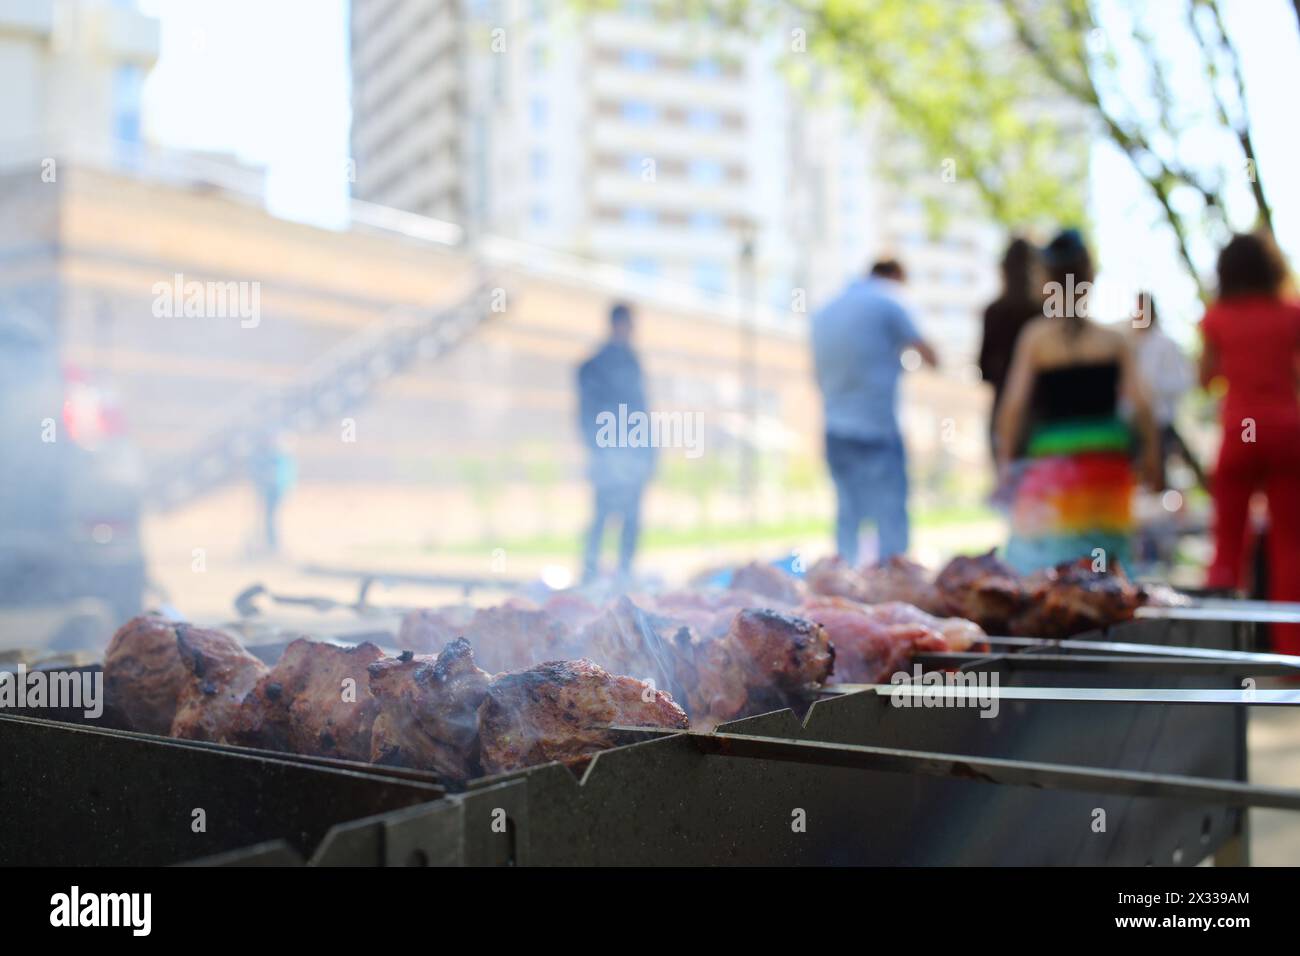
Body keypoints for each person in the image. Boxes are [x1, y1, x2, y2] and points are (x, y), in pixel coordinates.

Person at [996, 229, 1159, 574]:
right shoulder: (1114, 341)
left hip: (1054, 463)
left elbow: (1013, 407)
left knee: (1041, 565)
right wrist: (1152, 458)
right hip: (1108, 463)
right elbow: (1142, 404)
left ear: (1045, 280)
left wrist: (1006, 462)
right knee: (1107, 565)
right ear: (1091, 278)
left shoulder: (1037, 338)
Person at [1200, 232, 1300, 654]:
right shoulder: (1291, 314)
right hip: (1287, 434)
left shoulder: (1217, 318)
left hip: (1241, 434)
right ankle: (1291, 658)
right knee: (1291, 549)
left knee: (1227, 548)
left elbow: (1205, 379)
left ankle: (1218, 650)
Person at [811, 259, 938, 565]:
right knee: (890, 518)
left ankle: (844, 586)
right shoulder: (890, 299)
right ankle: (891, 587)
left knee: (848, 516)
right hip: (877, 429)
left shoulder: (825, 309)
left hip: (836, 429)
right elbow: (931, 356)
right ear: (896, 275)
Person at [577, 302, 654, 583]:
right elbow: (588, 415)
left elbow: (641, 412)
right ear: (618, 324)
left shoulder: (632, 361)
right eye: (630, 325)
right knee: (602, 517)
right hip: (609, 456)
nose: (633, 331)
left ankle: (623, 575)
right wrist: (601, 451)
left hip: (633, 456)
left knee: (631, 520)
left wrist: (648, 454)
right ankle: (589, 574)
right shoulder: (595, 366)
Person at [1131, 291, 1204, 490]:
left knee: (1162, 474)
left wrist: (1153, 386)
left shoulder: (1166, 344)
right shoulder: (1130, 344)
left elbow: (1184, 381)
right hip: (1133, 422)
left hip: (1161, 421)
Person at [979, 237, 1042, 462]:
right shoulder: (1044, 312)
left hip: (1003, 410)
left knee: (1009, 489)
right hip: (1042, 415)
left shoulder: (994, 311)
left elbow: (984, 369)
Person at [250, 432, 296, 553]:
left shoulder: (279, 456)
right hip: (269, 489)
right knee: (268, 517)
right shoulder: (272, 455)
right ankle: (269, 543)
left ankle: (272, 544)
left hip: (275, 489)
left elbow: (281, 475)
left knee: (270, 517)